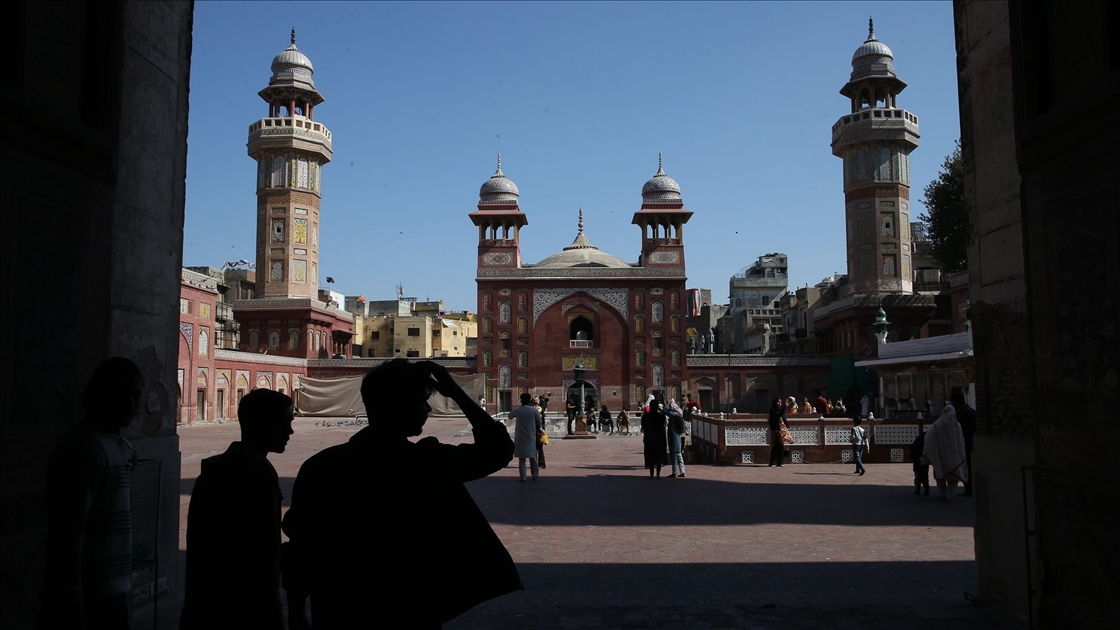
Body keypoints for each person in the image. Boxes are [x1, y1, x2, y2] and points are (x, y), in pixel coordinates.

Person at [282, 359, 522, 629]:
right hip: (409, 606)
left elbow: (301, 550)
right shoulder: (423, 464)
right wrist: (455, 392)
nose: (428, 409)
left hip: (341, 608)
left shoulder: (321, 467)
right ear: (401, 406)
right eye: (421, 401)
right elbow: (498, 449)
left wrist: (296, 612)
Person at [38, 357, 144, 630]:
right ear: (103, 394)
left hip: (111, 590)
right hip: (94, 595)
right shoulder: (87, 448)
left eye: (137, 396)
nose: (132, 406)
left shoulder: (110, 443)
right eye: (124, 395)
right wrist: (71, 603)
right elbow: (69, 535)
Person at [180, 389, 295, 629]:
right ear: (264, 425)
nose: (290, 431)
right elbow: (263, 555)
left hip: (206, 603)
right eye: (284, 423)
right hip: (243, 609)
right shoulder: (257, 473)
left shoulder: (217, 468)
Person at [923, 404, 969, 502]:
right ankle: (950, 496)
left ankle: (942, 494)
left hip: (941, 455)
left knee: (940, 474)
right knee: (952, 477)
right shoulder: (957, 425)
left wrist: (931, 451)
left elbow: (928, 438)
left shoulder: (937, 424)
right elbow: (961, 442)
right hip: (954, 456)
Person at [510, 393, 542, 482]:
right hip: (531, 436)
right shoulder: (534, 410)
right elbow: (539, 422)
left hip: (520, 437)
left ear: (521, 400)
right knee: (533, 457)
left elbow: (509, 416)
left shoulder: (518, 410)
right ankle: (535, 475)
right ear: (529, 400)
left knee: (522, 459)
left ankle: (523, 477)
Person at [951, 391, 976, 497]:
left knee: (968, 465)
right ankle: (969, 487)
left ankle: (969, 488)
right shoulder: (970, 411)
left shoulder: (962, 413)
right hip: (970, 442)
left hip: (966, 442)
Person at [640, 403, 668, 478]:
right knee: (658, 456)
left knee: (650, 456)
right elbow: (663, 426)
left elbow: (643, 428)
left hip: (649, 438)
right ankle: (658, 474)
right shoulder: (661, 416)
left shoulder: (646, 417)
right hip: (659, 438)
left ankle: (651, 474)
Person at [666, 399, 687, 478]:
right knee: (679, 455)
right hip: (678, 437)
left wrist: (666, 405)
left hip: (673, 437)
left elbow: (665, 411)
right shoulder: (679, 415)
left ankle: (674, 472)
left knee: (674, 455)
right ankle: (682, 471)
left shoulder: (674, 415)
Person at [768, 397, 787, 467]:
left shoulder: (779, 410)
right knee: (775, 446)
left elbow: (783, 418)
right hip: (775, 430)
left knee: (781, 446)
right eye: (778, 402)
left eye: (780, 403)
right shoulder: (772, 410)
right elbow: (779, 415)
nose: (779, 404)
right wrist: (784, 408)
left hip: (781, 430)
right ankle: (773, 462)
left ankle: (780, 462)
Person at [910, 430, 930, 495]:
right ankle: (926, 489)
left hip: (917, 460)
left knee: (918, 475)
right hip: (923, 459)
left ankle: (918, 489)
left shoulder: (918, 440)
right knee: (925, 475)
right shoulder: (926, 440)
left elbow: (912, 448)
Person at [532, 396, 547, 469]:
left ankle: (536, 463)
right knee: (540, 448)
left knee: (535, 448)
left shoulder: (533, 410)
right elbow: (543, 421)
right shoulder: (541, 409)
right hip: (540, 430)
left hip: (535, 430)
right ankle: (541, 463)